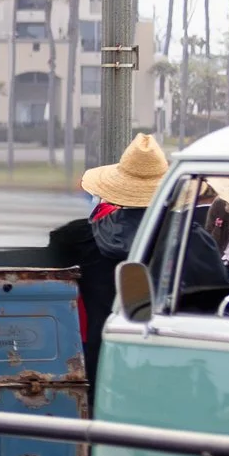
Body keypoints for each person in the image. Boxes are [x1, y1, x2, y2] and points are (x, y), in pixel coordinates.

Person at [49, 132, 168, 388]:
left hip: (105, 354)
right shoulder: (187, 238)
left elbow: (55, 250)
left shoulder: (80, 236)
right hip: (169, 355)